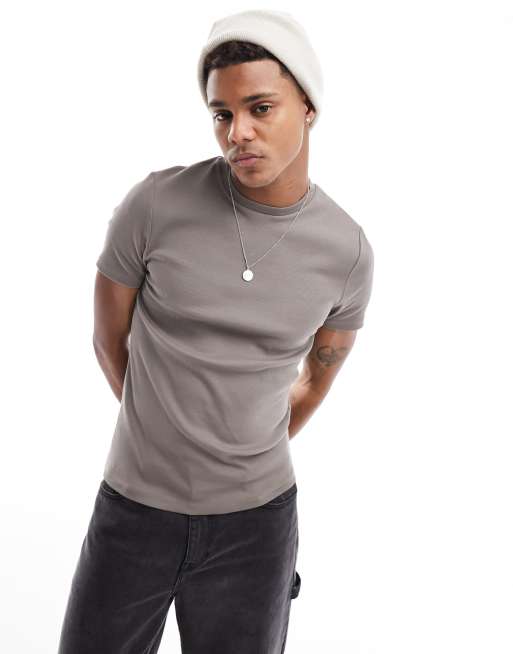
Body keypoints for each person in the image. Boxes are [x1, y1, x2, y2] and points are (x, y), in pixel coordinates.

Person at [57, 9, 374, 654]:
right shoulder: (153, 206)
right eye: (222, 114)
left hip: (255, 528)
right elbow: (107, 339)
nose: (238, 133)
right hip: (133, 509)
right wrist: (164, 430)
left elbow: (316, 380)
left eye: (261, 108)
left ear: (308, 108)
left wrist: (237, 448)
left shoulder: (346, 252)